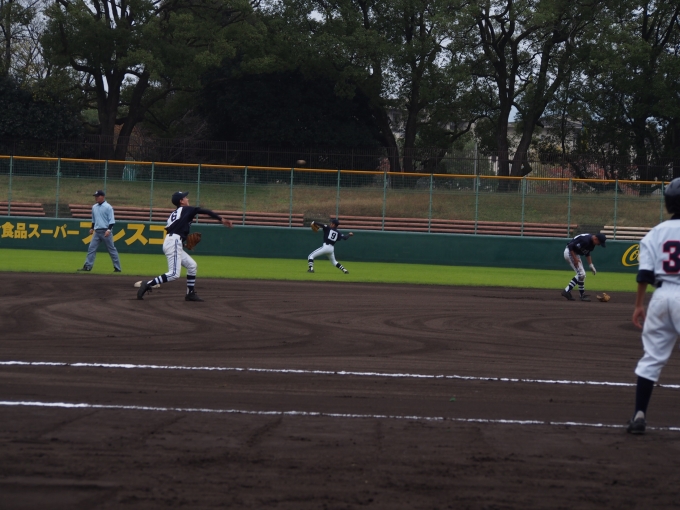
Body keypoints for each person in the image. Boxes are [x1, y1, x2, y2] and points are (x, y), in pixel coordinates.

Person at [627, 177, 680, 434]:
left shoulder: (655, 233)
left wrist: (639, 305)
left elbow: (645, 275)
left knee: (651, 359)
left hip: (660, 297)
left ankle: (639, 415)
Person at [137, 191, 232, 302]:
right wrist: (221, 219)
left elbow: (173, 230)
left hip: (173, 241)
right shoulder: (186, 209)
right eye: (185, 197)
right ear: (181, 201)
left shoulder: (174, 214)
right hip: (173, 242)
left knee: (192, 266)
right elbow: (204, 211)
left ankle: (190, 293)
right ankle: (148, 284)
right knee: (174, 274)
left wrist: (183, 244)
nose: (188, 199)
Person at [77, 190, 122, 273]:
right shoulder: (94, 207)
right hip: (97, 232)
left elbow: (112, 221)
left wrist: (109, 230)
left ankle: (117, 268)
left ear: (103, 197)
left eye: (98, 196)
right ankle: (87, 266)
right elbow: (94, 220)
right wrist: (92, 228)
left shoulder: (108, 207)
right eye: (95, 196)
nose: (96, 198)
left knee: (111, 250)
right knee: (91, 248)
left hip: (105, 231)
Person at [560, 232, 606, 302]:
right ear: (596, 239)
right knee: (581, 274)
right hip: (570, 252)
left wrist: (591, 265)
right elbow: (570, 246)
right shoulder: (585, 240)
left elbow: (587, 253)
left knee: (582, 275)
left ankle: (581, 295)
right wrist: (575, 259)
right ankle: (566, 291)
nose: (599, 244)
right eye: (599, 243)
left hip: (575, 254)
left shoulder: (591, 243)